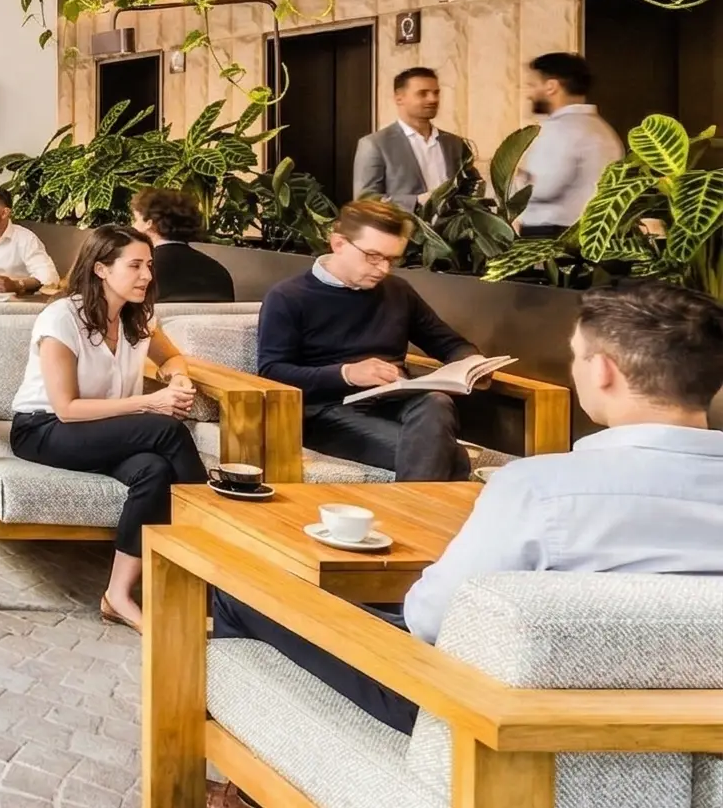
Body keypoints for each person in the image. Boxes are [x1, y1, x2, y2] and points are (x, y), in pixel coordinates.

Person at [212, 279, 723, 735]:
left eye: (577, 355)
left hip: (479, 714)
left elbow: (429, 618)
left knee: (236, 587)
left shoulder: (539, 490)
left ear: (604, 371)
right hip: (683, 725)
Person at [7, 225, 203, 630]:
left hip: (104, 429)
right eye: (134, 266)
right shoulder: (62, 318)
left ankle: (117, 595)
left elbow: (172, 359)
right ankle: (216, 553)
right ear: (100, 269)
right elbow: (66, 408)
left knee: (154, 470)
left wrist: (178, 379)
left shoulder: (138, 317)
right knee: (165, 431)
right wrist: (151, 402)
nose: (146, 275)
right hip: (43, 429)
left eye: (148, 265)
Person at [256, 198, 480, 482]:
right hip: (326, 412)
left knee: (437, 402)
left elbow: (448, 343)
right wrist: (347, 373)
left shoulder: (398, 291)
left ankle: (413, 520)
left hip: (394, 401)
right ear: (338, 243)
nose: (383, 269)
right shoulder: (288, 297)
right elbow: (272, 371)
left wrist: (472, 364)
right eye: (373, 256)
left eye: (391, 259)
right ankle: (416, 523)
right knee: (451, 456)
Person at [514, 51, 623, 236]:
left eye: (532, 85)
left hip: (552, 236)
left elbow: (540, 188)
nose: (529, 95)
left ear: (551, 87)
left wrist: (516, 177)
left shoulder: (561, 129)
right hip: (588, 234)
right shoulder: (603, 129)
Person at [352, 67, 471, 211]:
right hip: (404, 230)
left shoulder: (454, 143)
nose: (433, 99)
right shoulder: (375, 144)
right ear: (399, 98)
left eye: (436, 93)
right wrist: (416, 201)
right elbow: (365, 199)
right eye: (423, 94)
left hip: (455, 231)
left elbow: (471, 187)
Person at [130, 186, 236, 303]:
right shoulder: (219, 272)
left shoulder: (141, 272)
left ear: (148, 223)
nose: (132, 226)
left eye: (135, 219)